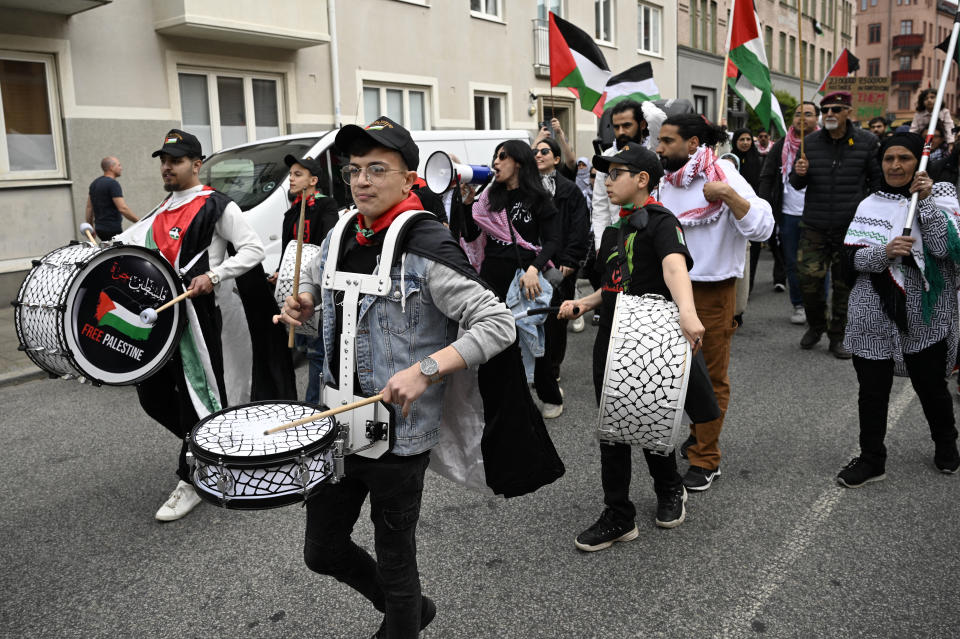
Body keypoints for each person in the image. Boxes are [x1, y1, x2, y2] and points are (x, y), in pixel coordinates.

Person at [276, 116, 516, 638]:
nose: (362, 180)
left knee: (396, 561)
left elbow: (498, 323)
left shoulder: (427, 244)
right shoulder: (341, 231)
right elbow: (324, 302)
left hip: (399, 437)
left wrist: (426, 371)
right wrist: (304, 305)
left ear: (409, 179)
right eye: (355, 169)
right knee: (323, 551)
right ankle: (412, 611)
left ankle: (402, 621)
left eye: (377, 169)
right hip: (334, 425)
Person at [114, 129, 293, 521]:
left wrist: (214, 275)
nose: (166, 166)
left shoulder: (217, 205)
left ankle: (191, 477)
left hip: (203, 319)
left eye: (175, 161)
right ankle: (212, 447)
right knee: (153, 395)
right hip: (164, 320)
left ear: (196, 165)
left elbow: (253, 249)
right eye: (163, 160)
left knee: (198, 396)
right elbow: (129, 244)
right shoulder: (161, 208)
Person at [558, 144, 707, 550]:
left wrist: (688, 313)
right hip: (613, 336)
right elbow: (614, 286)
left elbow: (674, 266)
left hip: (652, 335)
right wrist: (582, 304)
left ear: (642, 179)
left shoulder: (661, 222)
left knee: (650, 416)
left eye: (616, 173)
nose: (607, 181)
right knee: (614, 424)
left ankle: (670, 486)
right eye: (605, 174)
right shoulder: (616, 228)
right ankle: (619, 514)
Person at [655, 113, 774, 491]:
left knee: (709, 379)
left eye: (667, 141)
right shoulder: (664, 180)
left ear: (692, 144)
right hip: (669, 291)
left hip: (711, 292)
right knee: (674, 375)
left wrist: (727, 196)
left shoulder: (723, 173)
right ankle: (696, 435)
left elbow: (762, 227)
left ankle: (707, 457)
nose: (659, 148)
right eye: (659, 140)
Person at [838, 133, 960, 487]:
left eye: (904, 158)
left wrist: (923, 202)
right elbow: (849, 262)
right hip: (872, 314)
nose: (895, 165)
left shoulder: (943, 197)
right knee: (872, 392)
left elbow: (945, 250)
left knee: (932, 387)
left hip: (925, 315)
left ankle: (946, 444)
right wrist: (884, 252)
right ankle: (872, 459)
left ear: (918, 162)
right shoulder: (869, 205)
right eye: (889, 158)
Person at [458, 140, 563, 414]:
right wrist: (467, 203)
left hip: (525, 277)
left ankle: (550, 396)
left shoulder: (538, 197)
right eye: (495, 156)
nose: (495, 162)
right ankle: (502, 395)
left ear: (518, 161)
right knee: (493, 337)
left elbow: (553, 241)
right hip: (493, 277)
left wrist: (534, 269)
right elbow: (470, 235)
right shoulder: (489, 196)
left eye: (502, 156)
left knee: (533, 336)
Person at [791, 91, 882, 358]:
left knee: (844, 285)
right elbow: (796, 184)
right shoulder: (810, 143)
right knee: (808, 280)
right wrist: (799, 173)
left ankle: (838, 335)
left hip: (849, 229)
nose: (829, 113)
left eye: (836, 109)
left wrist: (866, 211)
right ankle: (816, 325)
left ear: (848, 113)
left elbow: (877, 183)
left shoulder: (867, 142)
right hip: (814, 227)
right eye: (826, 109)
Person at [268, 154, 341, 405]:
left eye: (298, 174)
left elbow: (328, 245)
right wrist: (280, 271)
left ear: (313, 180)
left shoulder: (325, 206)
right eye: (290, 174)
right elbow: (288, 249)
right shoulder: (291, 213)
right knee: (306, 348)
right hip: (295, 286)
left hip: (314, 286)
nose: (291, 178)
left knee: (318, 353)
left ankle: (314, 408)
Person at [591, 99, 667, 324]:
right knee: (615, 310)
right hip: (617, 241)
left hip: (650, 239)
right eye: (616, 127)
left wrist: (642, 103)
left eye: (627, 125)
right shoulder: (607, 155)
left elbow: (658, 119)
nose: (621, 132)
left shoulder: (654, 150)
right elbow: (600, 208)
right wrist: (600, 247)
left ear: (642, 124)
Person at [532, 138, 589, 417]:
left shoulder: (570, 191)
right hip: (532, 267)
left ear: (556, 158)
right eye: (534, 152)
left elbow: (580, 228)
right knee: (531, 318)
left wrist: (569, 261)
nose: (538, 155)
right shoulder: (525, 189)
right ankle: (533, 371)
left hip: (561, 268)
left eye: (544, 151)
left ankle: (552, 373)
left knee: (555, 321)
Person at [758, 102, 821, 325]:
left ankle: (820, 305)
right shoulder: (782, 145)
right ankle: (799, 304)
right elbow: (767, 177)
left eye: (808, 114)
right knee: (793, 262)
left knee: (820, 263)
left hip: (818, 213)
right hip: (788, 213)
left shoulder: (825, 144)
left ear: (817, 119)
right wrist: (765, 207)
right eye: (797, 114)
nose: (801, 118)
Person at [731, 128, 776, 295]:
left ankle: (746, 290)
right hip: (733, 213)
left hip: (752, 212)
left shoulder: (759, 160)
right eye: (741, 139)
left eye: (748, 139)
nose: (745, 143)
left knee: (752, 253)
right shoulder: (728, 162)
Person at [86, 156, 139, 241]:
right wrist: (139, 221)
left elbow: (89, 208)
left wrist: (90, 227)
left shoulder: (94, 184)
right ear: (111, 167)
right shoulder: (113, 184)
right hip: (112, 229)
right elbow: (123, 208)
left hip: (100, 229)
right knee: (119, 253)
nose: (121, 168)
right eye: (119, 165)